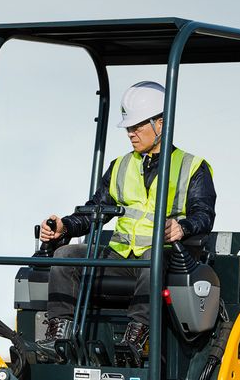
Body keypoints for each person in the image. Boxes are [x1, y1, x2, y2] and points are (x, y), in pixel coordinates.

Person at [36, 80, 216, 365]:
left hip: (166, 257)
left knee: (152, 260)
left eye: (137, 126)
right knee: (65, 255)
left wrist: (183, 227)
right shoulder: (120, 166)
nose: (130, 133)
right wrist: (66, 227)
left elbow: (203, 214)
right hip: (120, 255)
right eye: (128, 127)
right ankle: (59, 337)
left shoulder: (192, 167)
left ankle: (134, 342)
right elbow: (95, 209)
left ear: (161, 122)